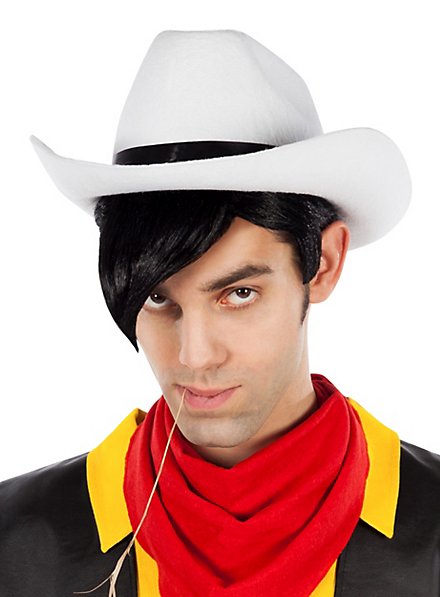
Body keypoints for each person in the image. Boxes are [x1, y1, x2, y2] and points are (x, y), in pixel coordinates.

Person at [1, 29, 439, 597]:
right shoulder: (16, 538)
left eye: (238, 294)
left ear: (324, 264)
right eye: (158, 298)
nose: (194, 356)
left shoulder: (430, 526)